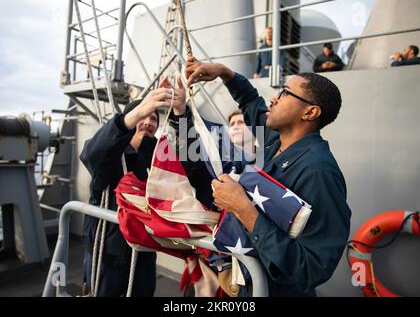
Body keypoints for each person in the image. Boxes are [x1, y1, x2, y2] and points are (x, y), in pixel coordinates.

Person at [184, 57, 351, 297]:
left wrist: (243, 208)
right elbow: (251, 102)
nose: (274, 98)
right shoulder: (276, 142)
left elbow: (311, 269)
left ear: (310, 112)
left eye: (284, 93)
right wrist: (225, 73)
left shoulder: (319, 172)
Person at [80, 78, 186, 296]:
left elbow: (185, 165)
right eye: (143, 116)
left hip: (145, 252)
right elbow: (90, 154)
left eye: (153, 118)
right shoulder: (110, 156)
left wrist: (181, 112)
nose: (148, 121)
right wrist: (137, 112)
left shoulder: (157, 157)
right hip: (107, 253)